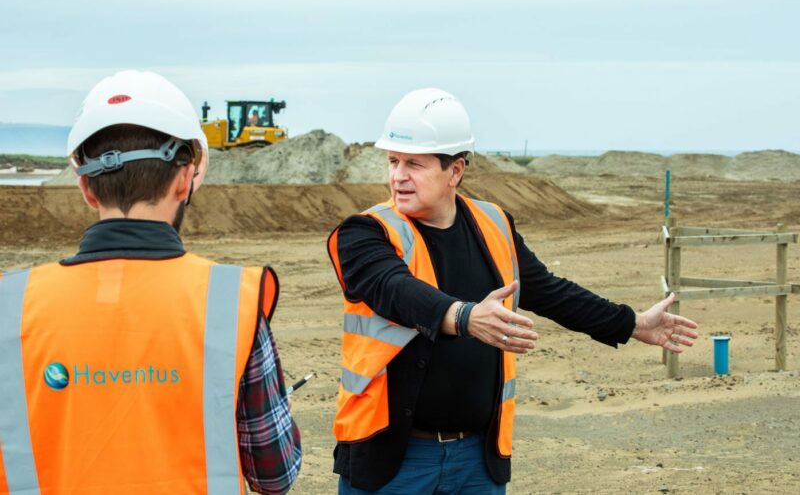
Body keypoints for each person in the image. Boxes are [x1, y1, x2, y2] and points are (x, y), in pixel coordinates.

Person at [327, 88, 699, 493]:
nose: (398, 176)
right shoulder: (364, 232)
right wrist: (465, 317)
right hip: (392, 460)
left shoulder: (494, 224)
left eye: (414, 164)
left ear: (455, 171)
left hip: (476, 460)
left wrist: (630, 323)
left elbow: (549, 291)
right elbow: (393, 289)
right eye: (393, 161)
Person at [0, 70, 301, 494]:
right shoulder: (231, 301)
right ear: (184, 180)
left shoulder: (10, 305)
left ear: (86, 187)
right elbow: (275, 474)